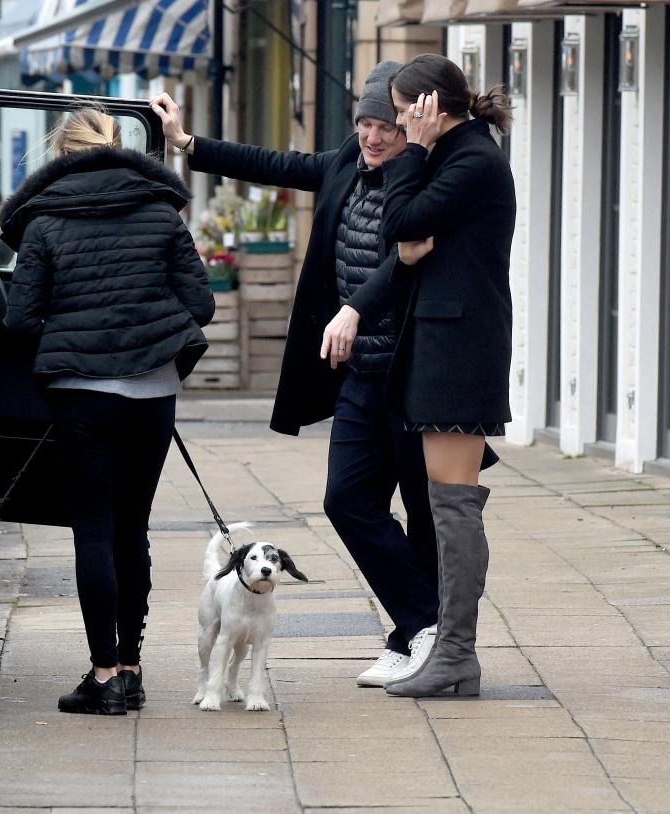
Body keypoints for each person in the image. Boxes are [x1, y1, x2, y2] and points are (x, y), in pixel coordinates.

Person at [151, 62, 449, 689]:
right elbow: (278, 164)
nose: (371, 138)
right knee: (345, 501)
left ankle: (418, 637)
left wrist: (353, 308)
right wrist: (187, 144)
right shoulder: (348, 161)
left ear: (408, 127)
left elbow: (407, 258)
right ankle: (424, 622)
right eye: (364, 125)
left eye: (384, 128)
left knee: (425, 515)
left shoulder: (421, 181)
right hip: (359, 375)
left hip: (414, 372)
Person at [0, 107, 215, 715]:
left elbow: (20, 319)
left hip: (80, 396)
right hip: (153, 393)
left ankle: (104, 674)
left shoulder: (43, 223)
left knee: (94, 529)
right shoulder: (160, 212)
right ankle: (134, 666)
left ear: (63, 156)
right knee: (133, 528)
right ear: (119, 149)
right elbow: (200, 302)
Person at [375, 55, 516, 697]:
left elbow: (400, 223)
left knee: (453, 503)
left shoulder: (470, 160)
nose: (397, 122)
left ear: (430, 107)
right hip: (446, 344)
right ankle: (451, 650)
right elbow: (401, 238)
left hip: (460, 348)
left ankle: (455, 654)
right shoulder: (457, 156)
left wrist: (413, 155)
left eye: (403, 110)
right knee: (447, 500)